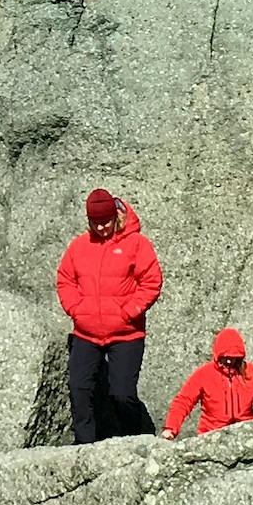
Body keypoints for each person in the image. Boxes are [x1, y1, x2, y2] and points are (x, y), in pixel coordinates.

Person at [58, 189, 162, 443]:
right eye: (95, 222)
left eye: (106, 221)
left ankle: (132, 442)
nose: (102, 227)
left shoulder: (137, 244)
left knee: (122, 394)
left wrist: (129, 312)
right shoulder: (79, 246)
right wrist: (77, 310)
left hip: (127, 334)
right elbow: (65, 280)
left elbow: (151, 282)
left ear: (116, 216)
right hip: (86, 333)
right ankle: (84, 447)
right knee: (79, 390)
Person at [165, 327, 253, 437]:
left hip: (245, 433)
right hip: (211, 435)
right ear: (218, 354)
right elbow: (184, 401)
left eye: (234, 358)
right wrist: (171, 428)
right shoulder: (204, 374)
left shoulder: (252, 373)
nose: (229, 362)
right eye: (226, 357)